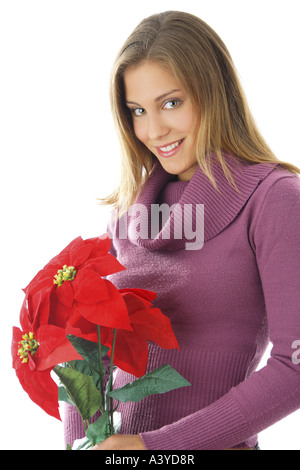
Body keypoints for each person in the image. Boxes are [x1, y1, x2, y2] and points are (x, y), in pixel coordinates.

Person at [64, 10, 300, 450]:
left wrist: (154, 449)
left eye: (171, 103)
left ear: (214, 95)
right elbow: (87, 345)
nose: (154, 131)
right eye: (137, 110)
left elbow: (296, 366)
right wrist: (83, 444)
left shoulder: (274, 198)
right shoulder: (127, 210)